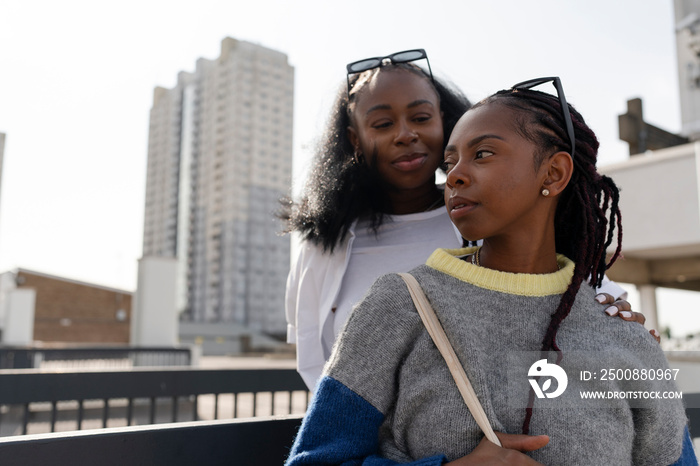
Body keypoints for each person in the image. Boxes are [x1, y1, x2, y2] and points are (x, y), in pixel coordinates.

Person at [285, 78, 696, 464]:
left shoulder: (623, 334)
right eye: (450, 164)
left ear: (553, 173)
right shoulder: (397, 307)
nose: (456, 176)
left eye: (482, 154)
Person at [281, 50, 650, 391]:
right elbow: (315, 369)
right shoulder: (323, 248)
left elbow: (563, 291)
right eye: (382, 124)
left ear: (444, 121)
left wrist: (616, 325)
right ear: (355, 139)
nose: (406, 134)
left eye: (421, 117)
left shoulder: (484, 215)